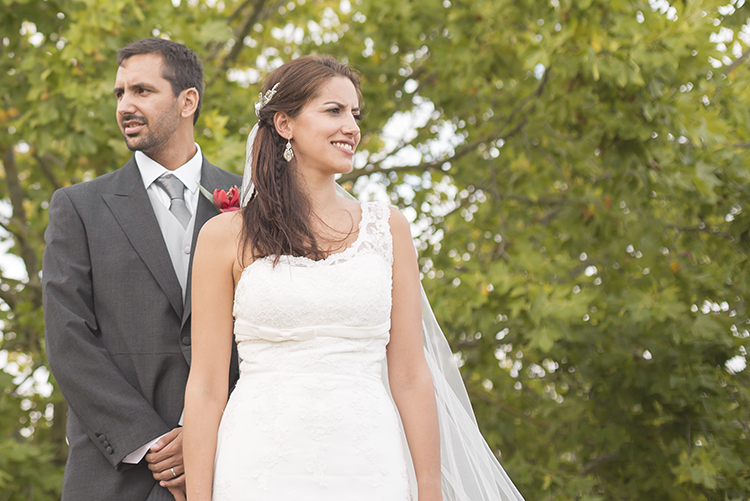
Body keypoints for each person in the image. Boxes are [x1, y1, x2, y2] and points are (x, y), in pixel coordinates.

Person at [183, 54, 527, 501]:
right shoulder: (225, 236)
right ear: (285, 124)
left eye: (355, 114)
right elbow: (207, 387)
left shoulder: (389, 229)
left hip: (370, 460)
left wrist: (428, 487)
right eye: (334, 110)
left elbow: (410, 374)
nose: (351, 126)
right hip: (258, 460)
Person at [43, 39, 242, 501]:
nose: (126, 106)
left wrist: (206, 432)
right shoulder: (79, 207)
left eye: (142, 91)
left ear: (187, 100)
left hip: (233, 462)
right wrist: (151, 442)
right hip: (117, 476)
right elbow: (68, 339)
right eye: (120, 94)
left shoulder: (252, 201)